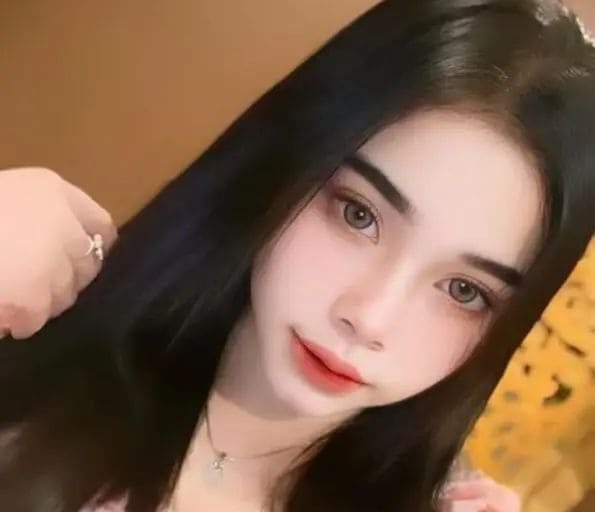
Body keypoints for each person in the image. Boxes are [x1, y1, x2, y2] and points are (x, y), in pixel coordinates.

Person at [0, 0, 594, 511]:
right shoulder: (40, 322)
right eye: (359, 215)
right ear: (290, 164)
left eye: (465, 290)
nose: (369, 317)